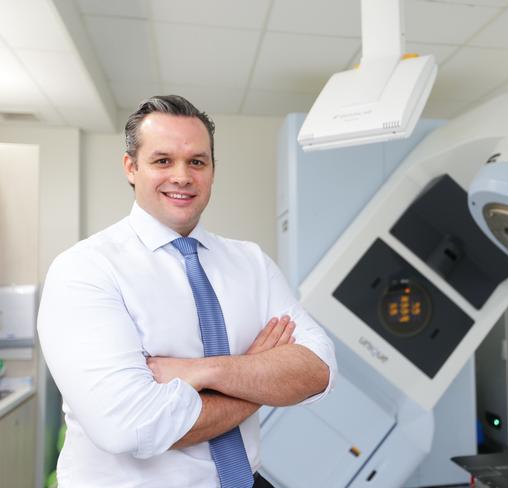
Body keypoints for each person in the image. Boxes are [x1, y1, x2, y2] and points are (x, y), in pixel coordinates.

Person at [37, 95, 337, 488]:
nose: (182, 176)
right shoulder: (84, 270)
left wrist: (201, 371)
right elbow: (130, 427)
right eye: (163, 161)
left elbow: (318, 368)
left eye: (197, 161)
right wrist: (259, 378)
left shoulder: (252, 264)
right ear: (131, 167)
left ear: (212, 170)